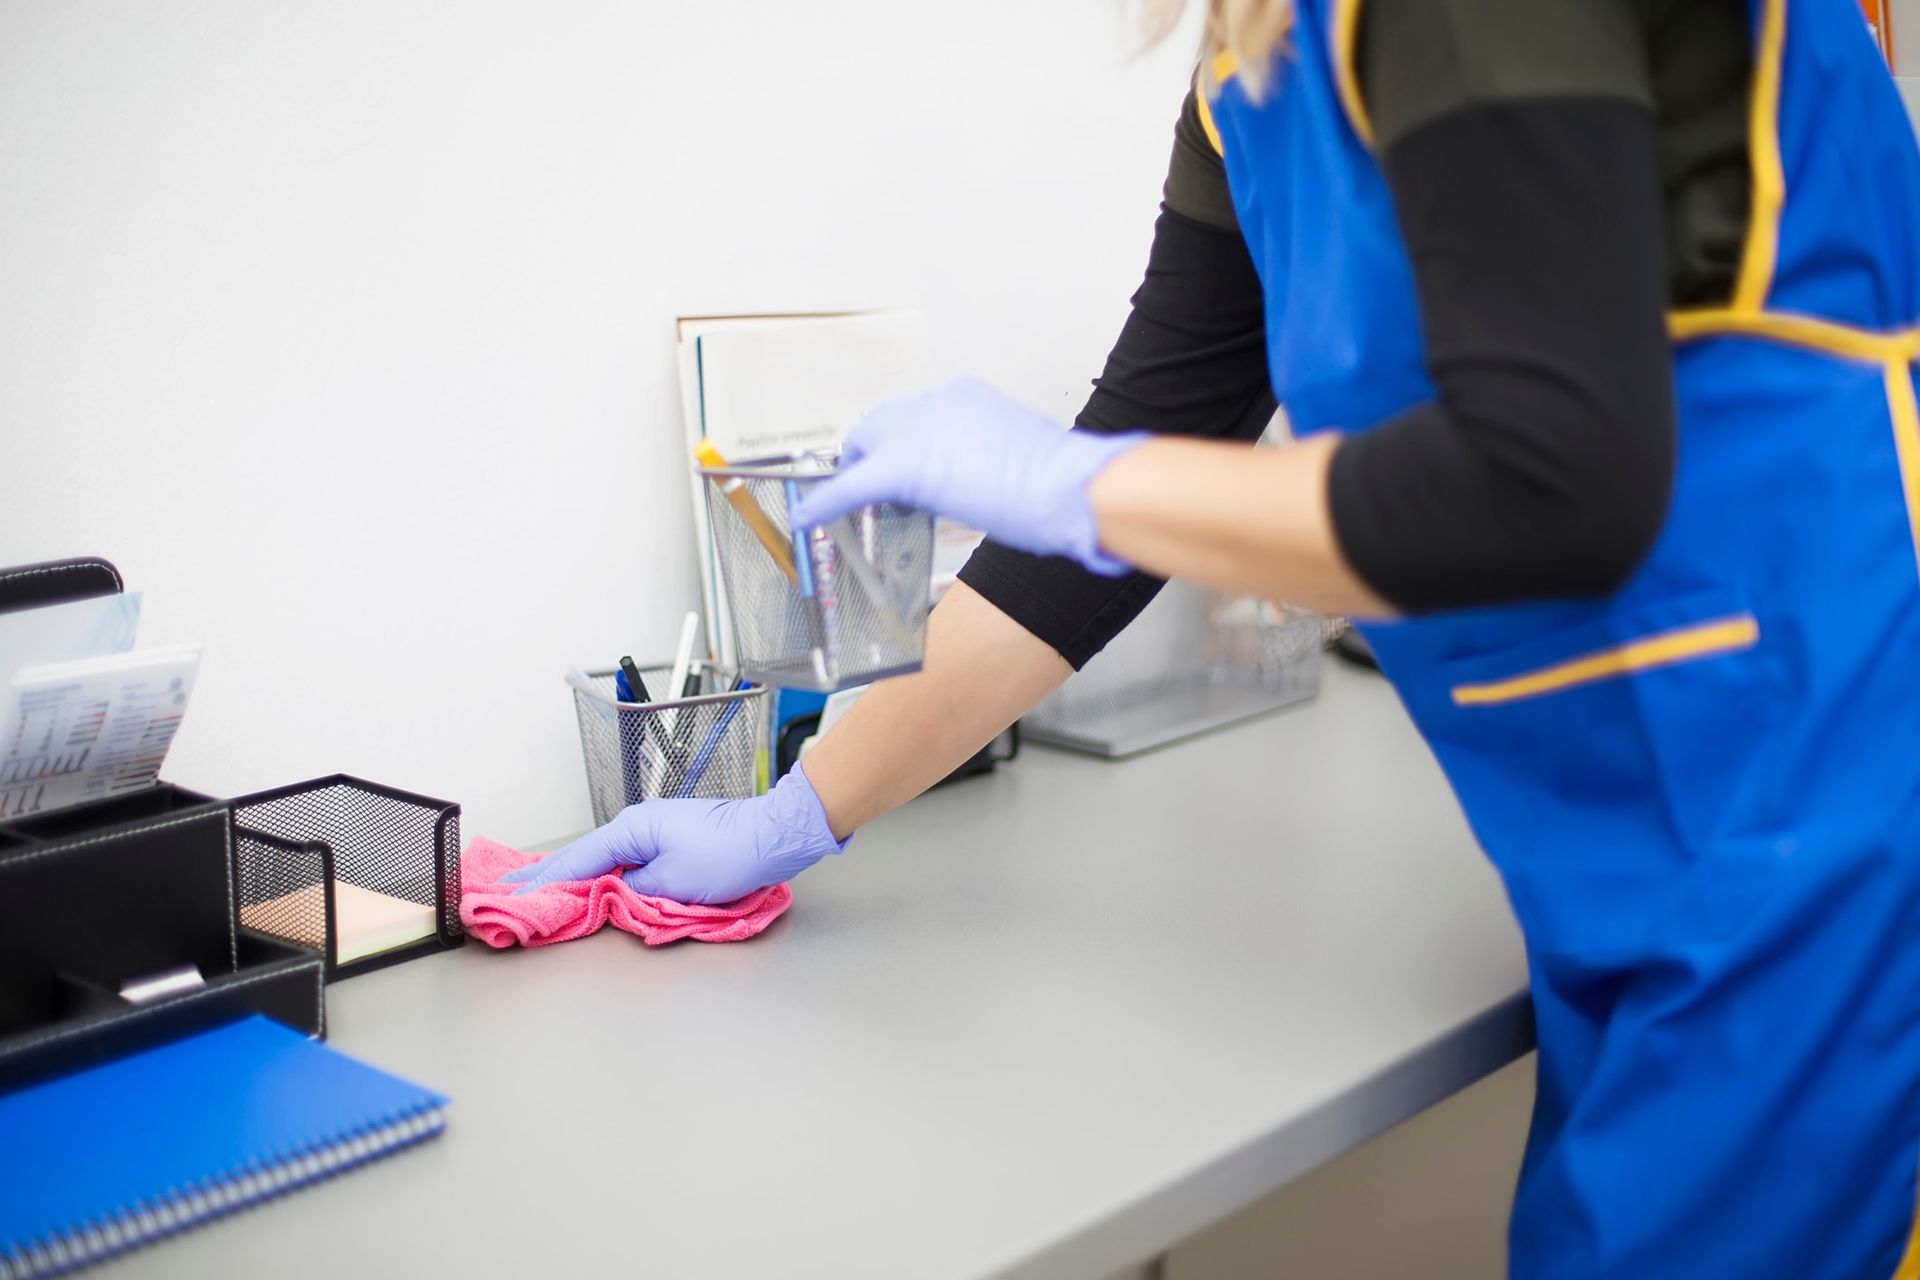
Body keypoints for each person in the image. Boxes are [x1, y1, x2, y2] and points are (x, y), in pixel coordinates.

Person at [508, 1, 1920, 1273]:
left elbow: (1556, 479)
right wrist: (795, 811)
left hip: (1827, 815)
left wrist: (1077, 484)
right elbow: (1124, 485)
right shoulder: (1260, 60)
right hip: (1631, 844)